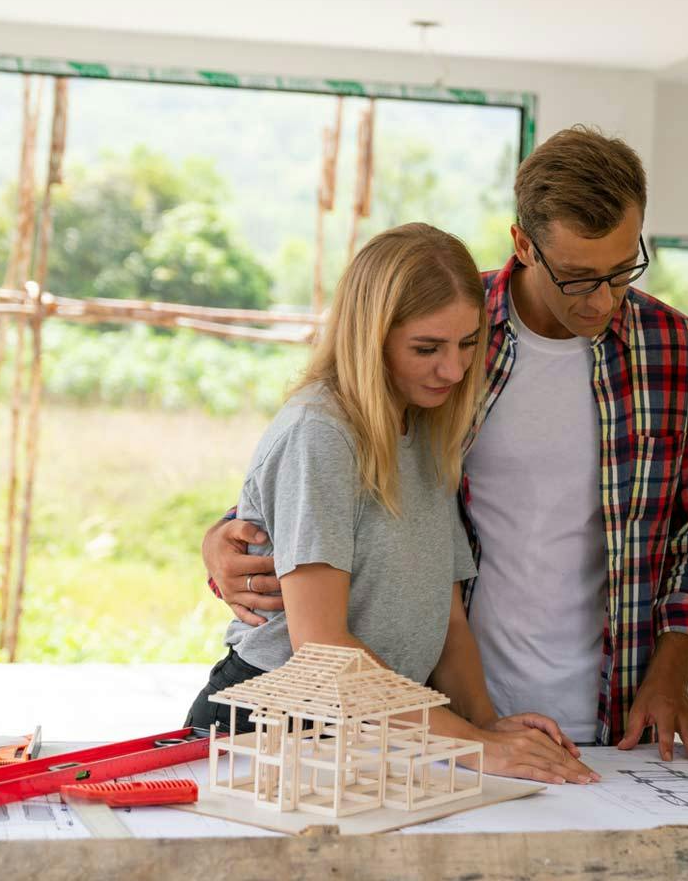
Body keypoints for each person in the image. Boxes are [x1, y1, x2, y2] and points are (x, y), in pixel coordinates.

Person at [205, 127, 688, 760]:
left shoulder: (676, 353)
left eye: (621, 272)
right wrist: (228, 534)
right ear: (524, 244)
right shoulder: (455, 319)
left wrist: (671, 670)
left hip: (593, 706)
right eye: (576, 277)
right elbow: (312, 479)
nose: (602, 300)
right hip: (405, 712)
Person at [186, 222, 596, 786]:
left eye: (468, 344)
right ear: (369, 338)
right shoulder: (321, 433)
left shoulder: (425, 427)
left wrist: (485, 723)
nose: (453, 370)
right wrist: (469, 741)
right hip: (275, 724)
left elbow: (447, 617)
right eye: (427, 348)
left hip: (382, 724)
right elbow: (322, 648)